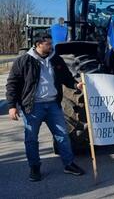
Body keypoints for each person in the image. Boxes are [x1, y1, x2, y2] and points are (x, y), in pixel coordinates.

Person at [6, 33, 85, 182]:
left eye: (51, 43)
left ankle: (69, 164)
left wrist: (76, 84)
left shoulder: (55, 59)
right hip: (33, 106)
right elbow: (12, 84)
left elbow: (66, 77)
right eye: (48, 44)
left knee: (63, 135)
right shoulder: (24, 61)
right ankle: (34, 167)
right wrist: (12, 106)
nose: (51, 46)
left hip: (53, 105)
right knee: (31, 139)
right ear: (38, 44)